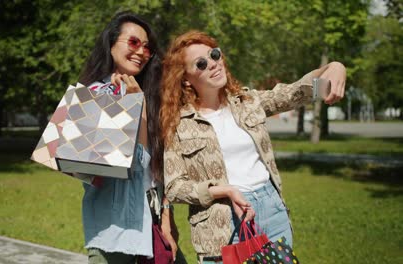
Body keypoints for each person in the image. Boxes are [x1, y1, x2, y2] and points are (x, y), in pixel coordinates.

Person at [159, 30, 346, 263]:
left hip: (271, 212)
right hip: (222, 224)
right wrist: (223, 190)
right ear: (185, 78)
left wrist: (334, 67)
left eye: (214, 55)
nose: (213, 64)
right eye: (201, 63)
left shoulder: (248, 102)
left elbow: (296, 92)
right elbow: (175, 187)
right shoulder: (177, 123)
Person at [78, 11, 183, 264]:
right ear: (111, 43)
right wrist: (135, 107)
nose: (141, 53)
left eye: (147, 48)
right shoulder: (92, 97)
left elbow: (161, 168)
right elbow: (134, 164)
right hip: (113, 228)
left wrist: (168, 213)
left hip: (155, 220)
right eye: (134, 42)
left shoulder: (152, 94)